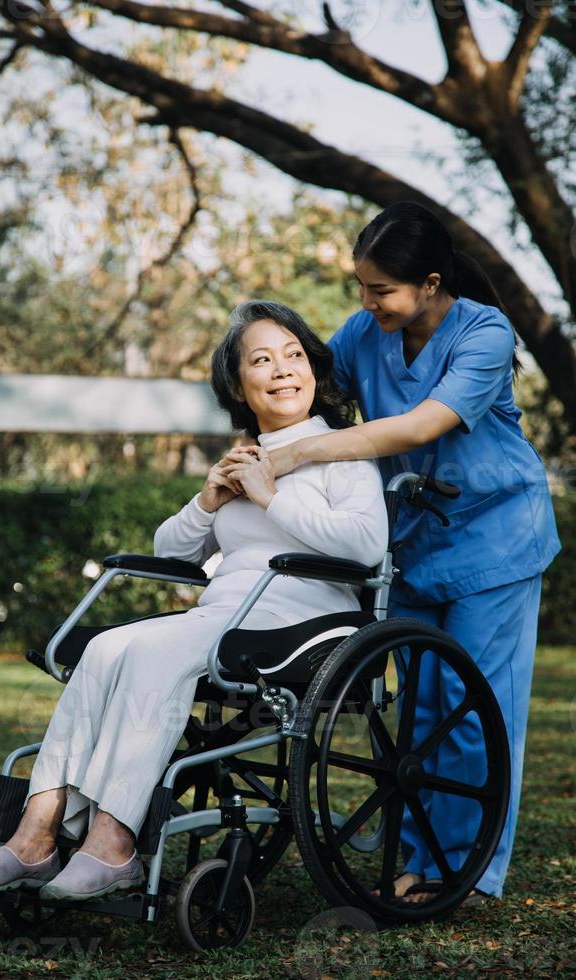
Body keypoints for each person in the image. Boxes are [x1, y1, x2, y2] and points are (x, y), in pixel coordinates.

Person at [0, 301, 388, 903]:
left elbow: (367, 547)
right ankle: (34, 836)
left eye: (295, 356)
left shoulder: (343, 448)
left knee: (160, 650)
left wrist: (270, 499)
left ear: (314, 370)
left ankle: (113, 844)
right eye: (262, 360)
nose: (283, 370)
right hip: (227, 614)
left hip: (306, 618)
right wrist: (209, 500)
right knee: (105, 647)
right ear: (239, 385)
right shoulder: (244, 455)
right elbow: (172, 551)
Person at [227, 202, 561, 905]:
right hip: (412, 543)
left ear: (431, 283)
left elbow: (417, 426)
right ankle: (416, 851)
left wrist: (297, 458)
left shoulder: (484, 332)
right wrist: (254, 418)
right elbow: (308, 388)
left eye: (381, 290)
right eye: (362, 287)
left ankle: (462, 870)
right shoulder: (363, 333)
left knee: (471, 707)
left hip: (494, 536)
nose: (367, 302)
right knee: (415, 711)